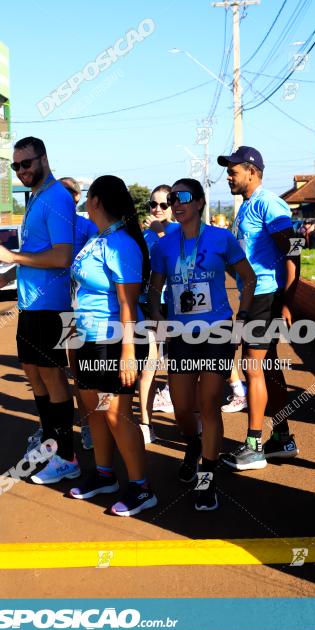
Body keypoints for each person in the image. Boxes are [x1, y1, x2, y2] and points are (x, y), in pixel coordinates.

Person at [149, 178, 256, 510]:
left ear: (198, 202)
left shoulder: (221, 238)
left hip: (217, 332)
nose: (175, 203)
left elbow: (248, 278)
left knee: (208, 404)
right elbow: (154, 290)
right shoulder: (164, 246)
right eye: (171, 199)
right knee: (183, 408)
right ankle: (193, 444)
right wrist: (158, 322)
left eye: (182, 198)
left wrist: (242, 321)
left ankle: (207, 479)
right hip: (181, 335)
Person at [0, 137, 80, 485]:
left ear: (43, 158)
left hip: (51, 307)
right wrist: (4, 275)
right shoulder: (37, 197)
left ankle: (67, 455)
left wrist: (12, 258)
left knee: (53, 378)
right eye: (16, 165)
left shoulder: (56, 198)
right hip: (31, 304)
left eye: (27, 163)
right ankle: (51, 442)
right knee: (35, 376)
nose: (22, 170)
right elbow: (36, 252)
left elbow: (62, 257)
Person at [68, 175, 158, 517]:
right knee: (92, 412)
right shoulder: (98, 239)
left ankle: (141, 487)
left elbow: (126, 303)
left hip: (117, 339)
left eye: (87, 198)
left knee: (117, 414)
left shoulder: (121, 243)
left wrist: (128, 353)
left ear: (96, 201)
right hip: (88, 336)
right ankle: (104, 475)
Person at [217, 146, 300, 470]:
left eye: (233, 170)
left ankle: (253, 446)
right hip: (253, 297)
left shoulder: (269, 204)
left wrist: (289, 301)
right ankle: (281, 437)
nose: (228, 176)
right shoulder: (246, 208)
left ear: (252, 171)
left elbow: (293, 254)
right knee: (267, 368)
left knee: (253, 368)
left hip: (267, 295)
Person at [138, 184, 179, 444]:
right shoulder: (145, 235)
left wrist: (160, 231)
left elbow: (179, 261)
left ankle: (190, 424)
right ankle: (145, 422)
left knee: (178, 369)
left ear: (173, 207)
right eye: (153, 204)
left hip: (175, 308)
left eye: (163, 205)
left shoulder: (178, 231)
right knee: (149, 367)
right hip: (148, 305)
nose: (157, 209)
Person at [59, 176, 98, 451]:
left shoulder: (87, 227)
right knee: (64, 369)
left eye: (65, 193)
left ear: (76, 197)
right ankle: (79, 424)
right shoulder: (49, 227)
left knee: (81, 368)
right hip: (53, 304)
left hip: (81, 308)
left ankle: (89, 424)